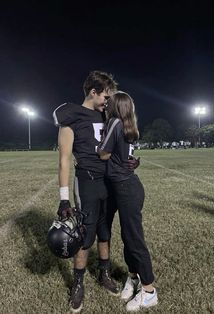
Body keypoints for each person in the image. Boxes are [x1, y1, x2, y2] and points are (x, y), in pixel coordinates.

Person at [53, 70, 120, 313]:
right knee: (84, 235)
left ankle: (104, 273)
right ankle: (78, 283)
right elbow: (63, 160)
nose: (107, 101)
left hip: (109, 180)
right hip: (88, 181)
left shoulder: (107, 115)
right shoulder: (72, 116)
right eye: (105, 96)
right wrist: (63, 200)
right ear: (94, 92)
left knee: (105, 231)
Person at [97, 91, 158, 312]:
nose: (105, 104)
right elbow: (127, 156)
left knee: (134, 239)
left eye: (109, 102)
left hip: (126, 188)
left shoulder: (114, 121)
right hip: (126, 186)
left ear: (116, 107)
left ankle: (149, 291)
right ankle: (132, 278)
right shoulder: (128, 124)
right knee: (127, 236)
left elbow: (103, 153)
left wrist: (100, 149)